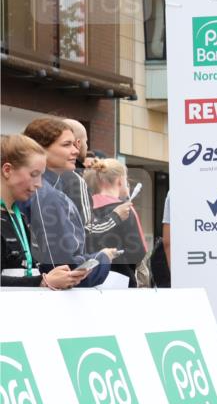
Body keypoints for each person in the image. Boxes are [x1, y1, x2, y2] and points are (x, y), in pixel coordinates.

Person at [21, 121, 112, 287]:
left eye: (75, 144)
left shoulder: (49, 191)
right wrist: (103, 258)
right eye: (66, 144)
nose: (76, 150)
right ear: (40, 149)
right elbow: (65, 270)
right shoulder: (46, 195)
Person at [1, 134, 88, 289]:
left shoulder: (19, 217)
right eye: (34, 175)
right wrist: (42, 282)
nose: (40, 184)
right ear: (7, 170)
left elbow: (20, 270)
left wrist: (56, 276)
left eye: (42, 176)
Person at [87, 159, 147, 287]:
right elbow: (139, 252)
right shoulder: (125, 210)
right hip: (121, 281)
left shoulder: (84, 208)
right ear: (120, 180)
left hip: (89, 279)